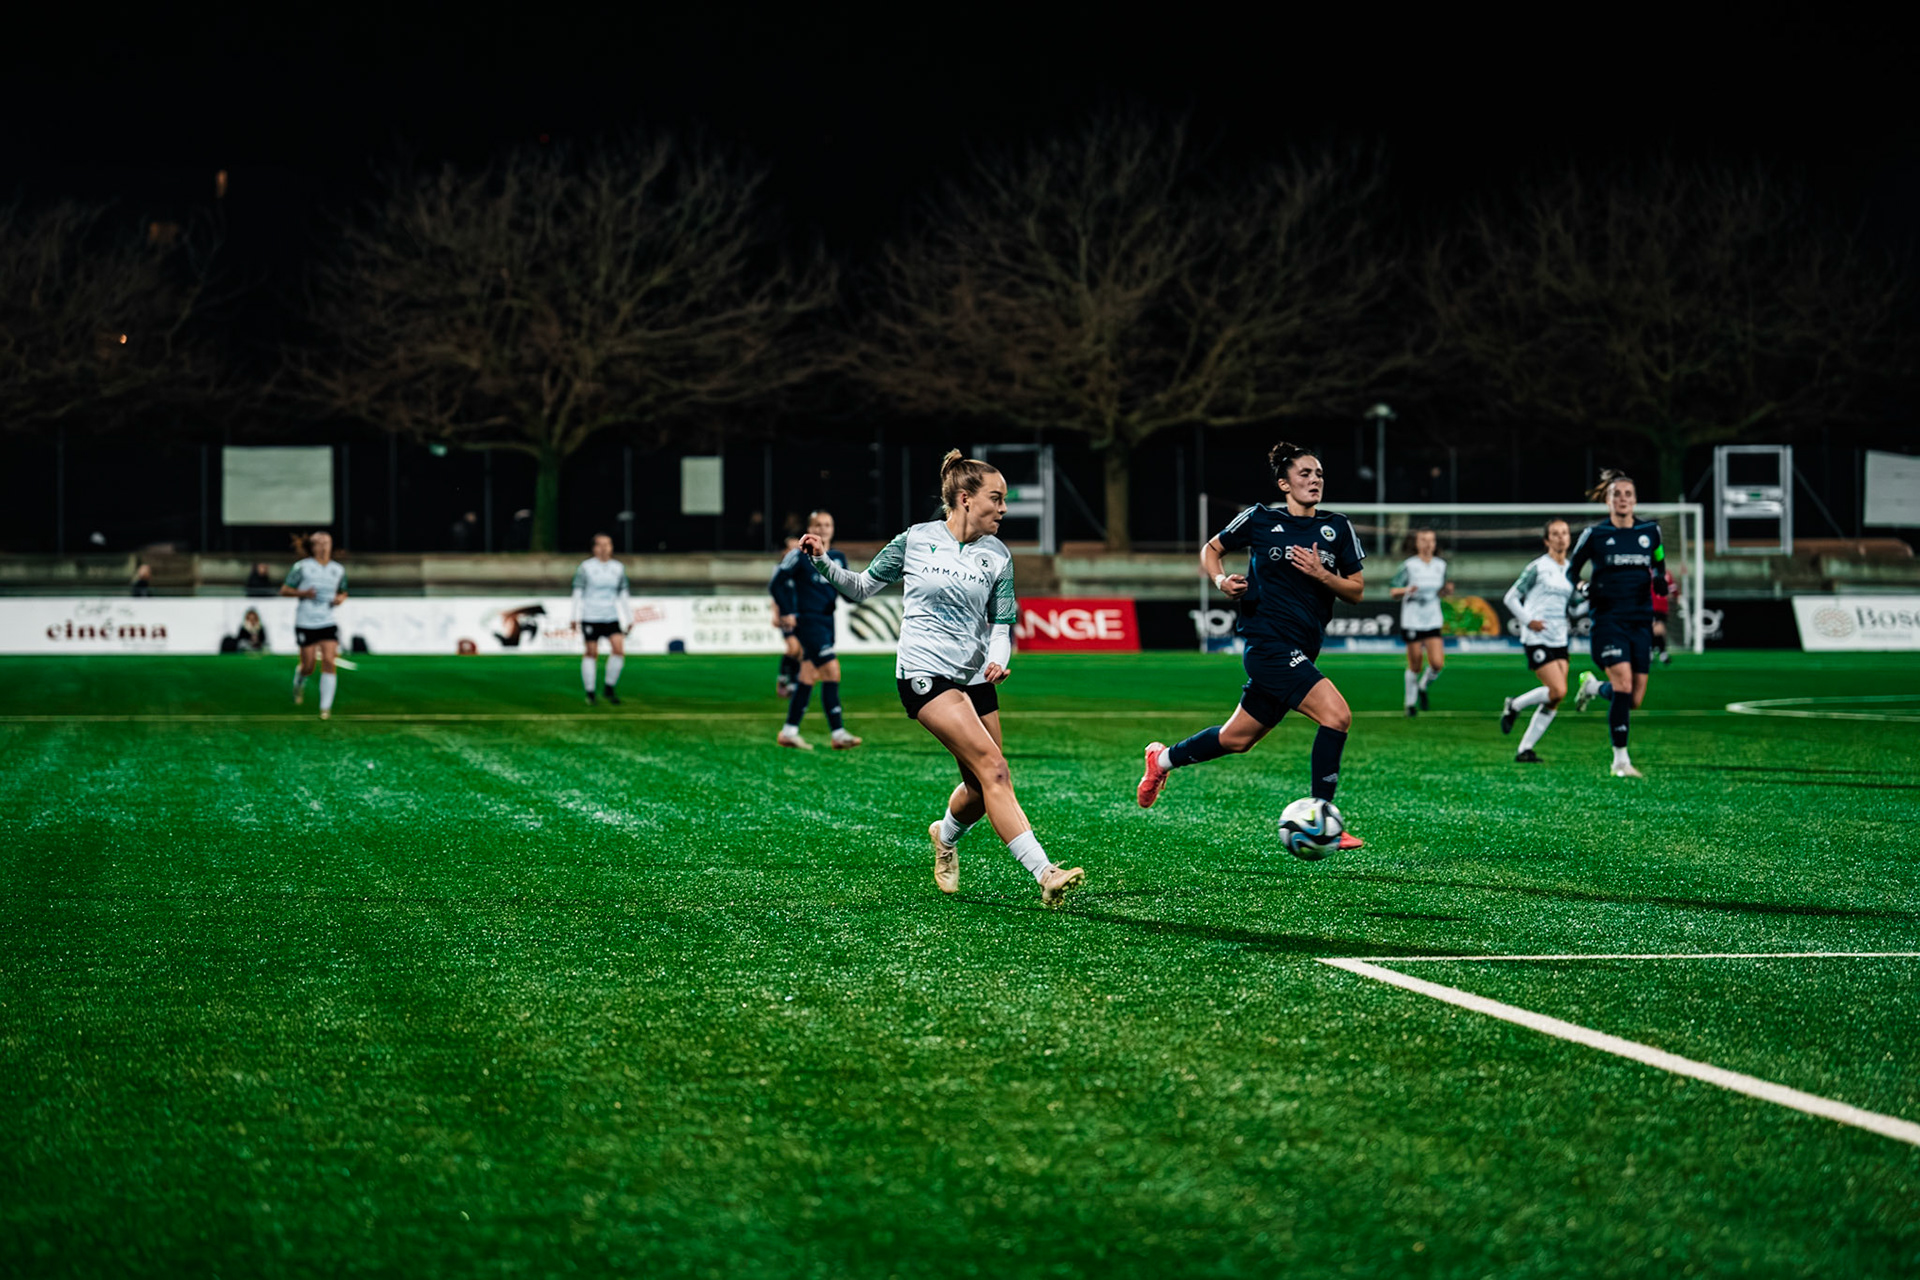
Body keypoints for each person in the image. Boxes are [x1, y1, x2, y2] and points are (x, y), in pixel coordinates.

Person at [804, 450, 1084, 907]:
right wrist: (822, 562)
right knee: (995, 770)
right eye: (996, 498)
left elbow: (1001, 627)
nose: (1004, 508)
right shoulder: (915, 539)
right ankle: (1045, 872)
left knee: (979, 787)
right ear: (965, 498)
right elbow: (861, 588)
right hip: (924, 675)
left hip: (975, 678)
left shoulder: (998, 555)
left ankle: (945, 836)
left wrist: (998, 659)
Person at [1136, 442, 1367, 853]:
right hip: (1268, 645)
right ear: (1284, 484)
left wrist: (1322, 575)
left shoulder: (1338, 527)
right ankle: (1322, 816)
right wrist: (1221, 580)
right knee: (1337, 716)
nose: (1314, 480)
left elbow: (1356, 590)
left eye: (1319, 474)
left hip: (1303, 648)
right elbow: (1212, 549)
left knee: (1237, 739)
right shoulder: (1261, 518)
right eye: (1304, 474)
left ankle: (1163, 760)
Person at [1566, 469, 1667, 777]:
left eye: (1627, 494)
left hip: (1640, 621)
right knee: (1623, 685)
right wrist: (1583, 587)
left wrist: (1659, 577)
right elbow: (1571, 571)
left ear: (1635, 500)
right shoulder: (1594, 535)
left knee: (1633, 698)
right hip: (1608, 619)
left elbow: (1659, 559)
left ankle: (1593, 687)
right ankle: (1620, 761)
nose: (1622, 499)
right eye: (1616, 494)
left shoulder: (1651, 532)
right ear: (1607, 501)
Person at [769, 510, 861, 750]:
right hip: (808, 621)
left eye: (827, 525)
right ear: (810, 529)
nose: (823, 529)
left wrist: (855, 595)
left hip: (827, 621)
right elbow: (777, 583)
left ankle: (789, 731)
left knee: (807, 676)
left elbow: (844, 587)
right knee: (832, 671)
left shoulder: (838, 557)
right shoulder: (799, 555)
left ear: (833, 529)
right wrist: (787, 611)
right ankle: (838, 733)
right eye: (818, 525)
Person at [1498, 519, 1579, 762]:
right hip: (1536, 636)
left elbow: (1574, 608)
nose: (1561, 537)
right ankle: (1515, 705)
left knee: (1556, 697)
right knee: (1558, 689)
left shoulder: (1572, 570)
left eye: (1564, 533)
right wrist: (1528, 620)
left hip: (1559, 637)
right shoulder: (1538, 567)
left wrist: (1597, 600)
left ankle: (1525, 749)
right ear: (1547, 540)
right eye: (1555, 534)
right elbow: (1511, 597)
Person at [281, 530, 348, 720]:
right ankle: (299, 681)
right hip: (306, 621)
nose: (324, 546)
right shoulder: (302, 567)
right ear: (312, 547)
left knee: (329, 660)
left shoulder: (338, 569)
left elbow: (343, 591)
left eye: (327, 542)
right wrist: (303, 593)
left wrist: (340, 599)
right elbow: (285, 590)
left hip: (327, 621)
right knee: (308, 666)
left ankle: (325, 708)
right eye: (319, 542)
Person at [1389, 527, 1452, 716]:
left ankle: (1423, 686)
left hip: (1432, 618)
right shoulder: (1409, 565)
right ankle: (1410, 704)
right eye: (1423, 540)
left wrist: (1446, 591)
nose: (1428, 544)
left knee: (1437, 663)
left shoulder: (1441, 565)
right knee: (1415, 664)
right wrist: (1407, 590)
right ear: (1417, 543)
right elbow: (1393, 591)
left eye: (1431, 540)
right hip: (1413, 619)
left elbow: (1441, 590)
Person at [571, 533, 631, 705]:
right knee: (591, 652)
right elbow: (577, 591)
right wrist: (573, 616)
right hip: (590, 616)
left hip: (611, 615)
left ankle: (609, 688)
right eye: (600, 544)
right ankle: (590, 692)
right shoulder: (586, 567)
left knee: (618, 650)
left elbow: (623, 593)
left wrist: (629, 617)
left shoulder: (618, 568)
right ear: (594, 548)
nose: (604, 548)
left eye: (608, 544)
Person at [771, 531, 803, 699]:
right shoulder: (780, 569)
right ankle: (783, 679)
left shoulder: (801, 568)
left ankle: (793, 683)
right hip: (786, 614)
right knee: (793, 648)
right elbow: (775, 594)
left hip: (801, 614)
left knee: (801, 652)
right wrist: (776, 614)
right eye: (791, 548)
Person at [1650, 564, 1678, 663]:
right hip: (1650, 605)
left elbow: (1672, 588)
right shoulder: (1646, 572)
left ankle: (1658, 652)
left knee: (1658, 629)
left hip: (1660, 606)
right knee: (1655, 629)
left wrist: (1675, 595)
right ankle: (1659, 652)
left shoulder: (1666, 574)